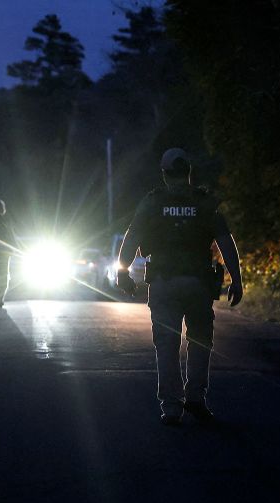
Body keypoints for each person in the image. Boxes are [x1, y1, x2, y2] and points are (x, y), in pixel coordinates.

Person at [116, 148, 243, 426]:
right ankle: (196, 397)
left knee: (166, 344)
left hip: (164, 282)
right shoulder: (204, 202)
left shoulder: (152, 202)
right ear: (188, 172)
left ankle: (171, 407)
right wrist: (237, 278)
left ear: (164, 174)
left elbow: (132, 235)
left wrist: (122, 272)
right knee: (200, 340)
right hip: (198, 283)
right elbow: (225, 241)